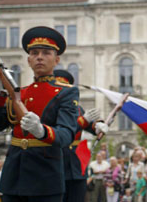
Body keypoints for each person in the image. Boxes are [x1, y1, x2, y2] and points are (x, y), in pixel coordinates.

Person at [0, 26, 78, 201]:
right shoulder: (20, 93)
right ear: (28, 60)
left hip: (46, 178)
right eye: (34, 53)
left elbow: (66, 135)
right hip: (14, 177)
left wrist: (41, 130)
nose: (39, 57)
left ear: (57, 60)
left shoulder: (65, 93)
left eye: (46, 53)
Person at [56, 69, 108, 202]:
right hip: (56, 159)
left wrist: (97, 127)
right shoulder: (48, 107)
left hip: (76, 163)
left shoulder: (77, 109)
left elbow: (88, 127)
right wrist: (82, 121)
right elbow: (60, 131)